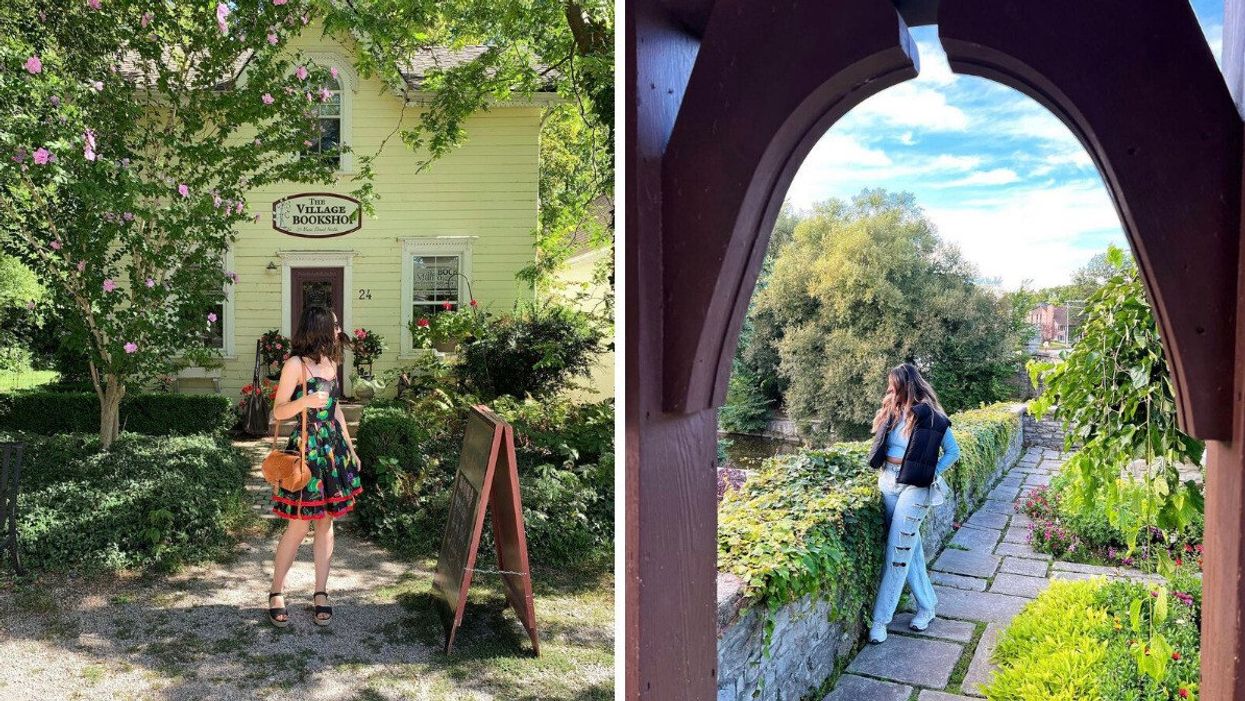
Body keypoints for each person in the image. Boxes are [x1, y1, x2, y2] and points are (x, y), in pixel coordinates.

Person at [266, 306, 363, 628]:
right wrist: (303, 402)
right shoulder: (295, 364)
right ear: (319, 328)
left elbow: (335, 412)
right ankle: (276, 591)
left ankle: (321, 592)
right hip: (306, 451)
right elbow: (279, 412)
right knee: (297, 525)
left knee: (326, 524)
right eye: (334, 325)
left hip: (332, 452)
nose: (339, 329)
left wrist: (350, 447)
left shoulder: (332, 363)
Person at [865, 362, 960, 644]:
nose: (889, 388)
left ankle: (881, 621)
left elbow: (953, 452)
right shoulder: (892, 412)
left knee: (896, 551)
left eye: (893, 383)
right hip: (888, 482)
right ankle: (928, 605)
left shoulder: (931, 417)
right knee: (909, 548)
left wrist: (930, 473)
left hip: (916, 488)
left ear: (907, 385)